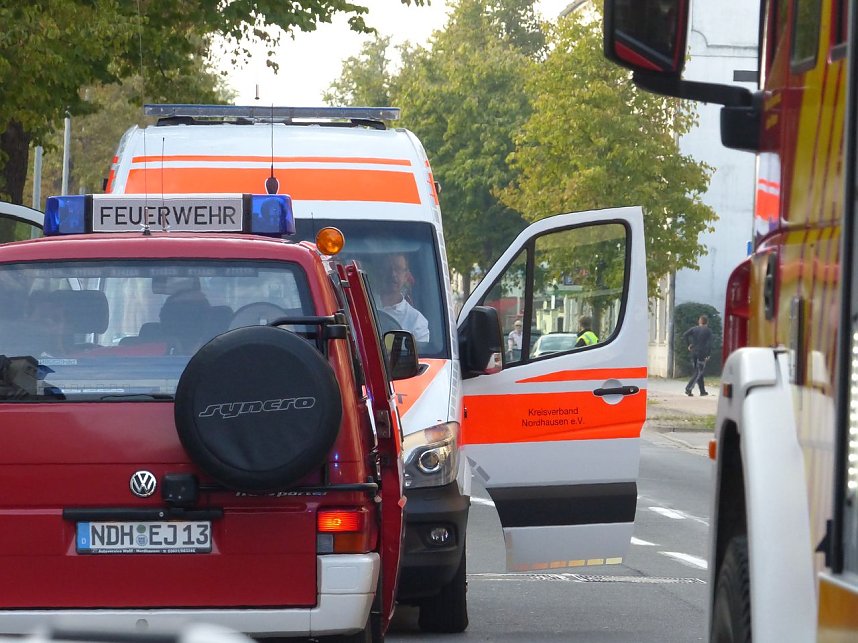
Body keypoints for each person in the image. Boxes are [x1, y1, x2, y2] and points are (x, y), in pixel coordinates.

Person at [375, 253, 430, 343]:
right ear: (380, 272)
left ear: (406, 276)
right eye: (388, 268)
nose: (393, 274)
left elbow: (419, 355)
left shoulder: (416, 321)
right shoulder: (363, 305)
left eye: (398, 269)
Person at [683, 314, 713, 396]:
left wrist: (688, 345)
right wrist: (708, 354)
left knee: (699, 372)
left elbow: (685, 335)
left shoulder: (694, 329)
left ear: (699, 321)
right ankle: (688, 388)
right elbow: (709, 344)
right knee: (699, 371)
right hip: (702, 353)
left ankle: (702, 391)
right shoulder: (708, 331)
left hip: (693, 353)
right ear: (707, 322)